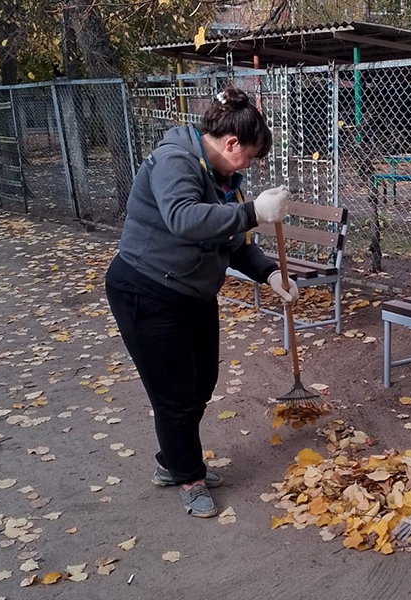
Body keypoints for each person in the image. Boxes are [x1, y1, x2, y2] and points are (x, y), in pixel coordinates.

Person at [105, 86, 299, 518]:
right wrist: (253, 212)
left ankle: (171, 459)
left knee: (202, 383)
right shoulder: (174, 161)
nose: (249, 165)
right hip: (145, 291)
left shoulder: (223, 179)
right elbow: (185, 220)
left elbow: (229, 241)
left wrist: (270, 274)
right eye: (248, 155)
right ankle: (188, 477)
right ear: (231, 143)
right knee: (174, 394)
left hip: (191, 292)